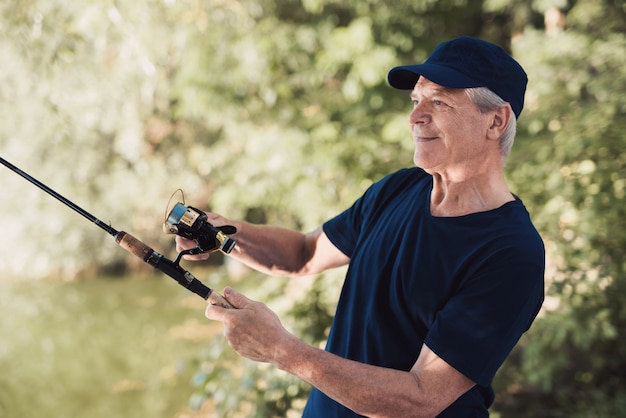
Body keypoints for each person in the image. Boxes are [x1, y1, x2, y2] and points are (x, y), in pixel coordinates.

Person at [177, 36, 545, 417]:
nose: (416, 117)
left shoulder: (512, 253)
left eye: (439, 101)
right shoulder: (401, 188)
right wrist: (221, 233)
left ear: (496, 121)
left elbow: (422, 398)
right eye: (416, 100)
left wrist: (281, 350)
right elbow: (305, 255)